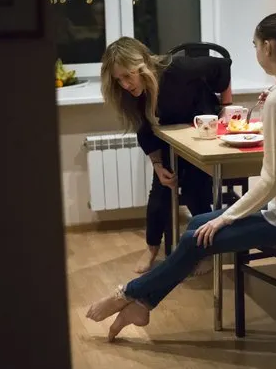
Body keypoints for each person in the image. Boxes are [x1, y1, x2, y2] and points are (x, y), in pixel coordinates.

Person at [87, 12, 276, 342]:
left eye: (256, 45)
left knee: (197, 233)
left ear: (268, 47)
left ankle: (126, 295)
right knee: (197, 226)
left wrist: (225, 218)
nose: (256, 51)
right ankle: (139, 302)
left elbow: (271, 180)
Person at [100, 37, 233, 274]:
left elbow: (223, 66)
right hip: (171, 140)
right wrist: (157, 164)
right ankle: (152, 248)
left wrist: (226, 107)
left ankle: (207, 251)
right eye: (118, 80)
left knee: (195, 191)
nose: (125, 85)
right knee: (160, 191)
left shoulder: (180, 69)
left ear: (142, 66)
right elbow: (145, 131)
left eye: (128, 76)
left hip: (199, 134)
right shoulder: (134, 95)